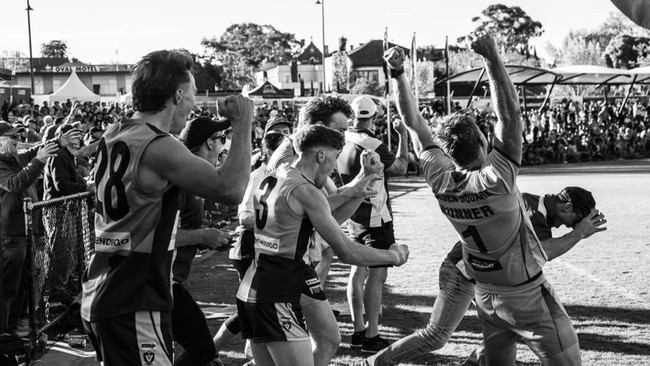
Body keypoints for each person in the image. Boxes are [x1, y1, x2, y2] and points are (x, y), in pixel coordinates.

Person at [385, 33, 587, 365]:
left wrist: (397, 74)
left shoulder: (439, 178)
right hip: (525, 293)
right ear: (482, 142)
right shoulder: (497, 178)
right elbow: (510, 117)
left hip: (486, 293)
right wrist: (492, 58)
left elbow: (413, 123)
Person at [81, 49, 253, 366]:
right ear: (176, 95)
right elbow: (232, 189)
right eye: (191, 96)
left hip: (107, 287)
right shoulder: (160, 145)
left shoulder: (115, 132)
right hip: (134, 296)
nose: (192, 106)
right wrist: (243, 124)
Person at [360, 186, 606, 366]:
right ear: (567, 207)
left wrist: (578, 231)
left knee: (507, 330)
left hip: (485, 280)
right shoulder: (535, 216)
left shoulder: (533, 204)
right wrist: (578, 234)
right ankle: (372, 365)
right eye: (572, 222)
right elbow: (540, 254)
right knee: (435, 336)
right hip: (462, 273)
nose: (567, 228)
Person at [236, 125, 409, 366]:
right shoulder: (306, 191)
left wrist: (359, 189)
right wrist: (393, 256)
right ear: (321, 156)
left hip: (263, 279)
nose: (334, 167)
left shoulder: (279, 173)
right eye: (335, 158)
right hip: (277, 288)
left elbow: (325, 220)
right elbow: (346, 251)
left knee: (328, 338)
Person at [266, 95, 371, 366]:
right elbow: (328, 213)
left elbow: (333, 213)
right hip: (283, 266)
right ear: (317, 129)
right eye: (339, 131)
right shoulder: (293, 160)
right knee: (319, 341)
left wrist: (363, 183)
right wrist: (392, 256)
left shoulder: (309, 155)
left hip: (294, 264)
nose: (344, 138)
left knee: (324, 340)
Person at [338, 95, 409, 353]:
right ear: (374, 116)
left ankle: (359, 331)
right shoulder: (374, 143)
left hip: (353, 213)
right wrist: (403, 135)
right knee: (377, 276)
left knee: (357, 273)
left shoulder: (342, 138)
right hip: (375, 216)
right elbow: (402, 167)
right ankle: (371, 335)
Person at [212, 130, 286, 364]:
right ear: (269, 152)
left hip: (267, 250)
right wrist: (282, 220)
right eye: (284, 150)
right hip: (248, 249)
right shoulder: (259, 175)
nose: (289, 155)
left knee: (256, 311)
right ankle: (210, 351)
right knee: (252, 311)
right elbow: (244, 216)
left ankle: (249, 355)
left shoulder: (286, 175)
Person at [0, 121, 78, 338]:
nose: (17, 141)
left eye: (17, 137)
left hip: (23, 234)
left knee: (23, 284)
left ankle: (13, 328)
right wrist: (39, 161)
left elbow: (35, 151)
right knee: (8, 288)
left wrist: (58, 142)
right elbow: (15, 183)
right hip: (10, 236)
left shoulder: (12, 158)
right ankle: (5, 332)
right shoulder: (2, 164)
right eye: (11, 137)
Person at [172, 116, 233, 366]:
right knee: (202, 350)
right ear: (209, 143)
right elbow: (157, 234)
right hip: (159, 281)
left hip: (170, 281)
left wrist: (206, 237)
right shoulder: (182, 179)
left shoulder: (192, 175)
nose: (223, 145)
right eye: (222, 139)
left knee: (199, 349)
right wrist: (203, 236)